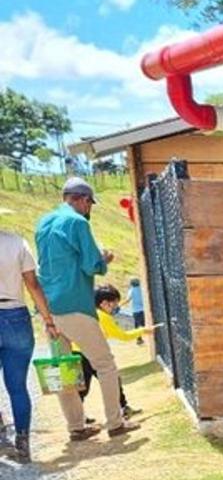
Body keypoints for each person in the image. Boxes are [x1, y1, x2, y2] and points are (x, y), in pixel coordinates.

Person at [34, 177, 138, 441]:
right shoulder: (77, 222)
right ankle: (115, 422)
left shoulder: (43, 223)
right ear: (81, 199)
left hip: (50, 309)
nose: (89, 209)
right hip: (76, 304)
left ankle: (76, 427)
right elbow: (91, 265)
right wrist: (105, 258)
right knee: (105, 364)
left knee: (64, 369)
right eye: (89, 203)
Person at [0, 229, 60, 464]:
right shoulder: (17, 242)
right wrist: (48, 320)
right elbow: (33, 284)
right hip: (16, 314)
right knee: (17, 387)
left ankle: (1, 436)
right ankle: (23, 442)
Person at [76, 284, 146, 420]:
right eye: (114, 304)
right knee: (112, 380)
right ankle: (122, 409)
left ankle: (80, 417)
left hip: (78, 353)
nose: (116, 307)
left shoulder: (90, 313)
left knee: (82, 388)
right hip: (92, 354)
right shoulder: (104, 317)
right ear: (104, 303)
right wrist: (143, 331)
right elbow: (122, 336)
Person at [125, 277, 145, 345]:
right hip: (143, 309)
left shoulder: (131, 290)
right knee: (143, 324)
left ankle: (139, 339)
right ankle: (140, 339)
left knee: (137, 325)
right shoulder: (142, 289)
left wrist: (120, 304)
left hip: (136, 310)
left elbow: (128, 299)